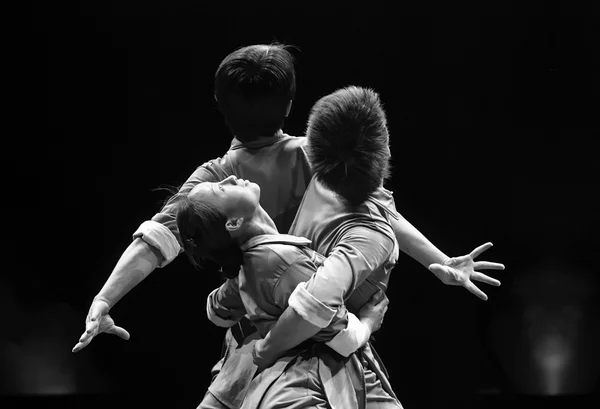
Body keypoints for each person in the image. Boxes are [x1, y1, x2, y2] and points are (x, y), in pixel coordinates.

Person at [72, 42, 502, 357]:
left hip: (262, 346)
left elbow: (153, 243)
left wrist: (104, 300)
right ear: (291, 102)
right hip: (328, 339)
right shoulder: (319, 158)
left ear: (219, 105)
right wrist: (438, 261)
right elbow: (382, 214)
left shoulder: (213, 182)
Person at [243, 86, 505, 408]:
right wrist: (268, 350)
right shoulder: (370, 237)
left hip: (333, 361)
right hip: (316, 373)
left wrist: (441, 262)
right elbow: (311, 307)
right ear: (385, 154)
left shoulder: (326, 176)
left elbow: (385, 211)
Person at [175, 176, 391, 408]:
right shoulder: (278, 261)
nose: (229, 178)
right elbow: (340, 336)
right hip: (310, 382)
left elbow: (217, 309)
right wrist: (368, 322)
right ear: (234, 223)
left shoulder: (257, 261)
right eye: (220, 189)